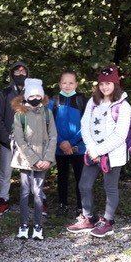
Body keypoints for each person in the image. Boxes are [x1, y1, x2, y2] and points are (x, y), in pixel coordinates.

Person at [67, 65, 131, 238]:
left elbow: (120, 135)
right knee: (84, 185)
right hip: (92, 152)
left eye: (108, 83)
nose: (104, 87)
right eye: (102, 84)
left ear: (115, 84)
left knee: (110, 187)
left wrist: (99, 151)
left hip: (112, 155)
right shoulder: (93, 102)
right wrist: (91, 148)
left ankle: (108, 221)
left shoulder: (123, 106)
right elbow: (84, 125)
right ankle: (89, 217)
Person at [11, 79, 57, 240]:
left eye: (38, 95)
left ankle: (38, 225)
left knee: (38, 192)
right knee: (24, 192)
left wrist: (47, 159)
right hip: (25, 160)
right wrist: (34, 160)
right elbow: (20, 140)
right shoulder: (20, 114)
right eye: (32, 95)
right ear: (26, 96)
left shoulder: (47, 113)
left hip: (43, 159)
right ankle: (23, 224)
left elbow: (53, 136)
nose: (35, 98)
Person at [48, 70, 87, 216]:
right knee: (62, 177)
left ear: (76, 84)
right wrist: (60, 142)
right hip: (59, 148)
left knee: (80, 178)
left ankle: (81, 206)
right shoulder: (53, 101)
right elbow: (49, 124)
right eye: (64, 82)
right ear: (59, 84)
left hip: (78, 147)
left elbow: (87, 124)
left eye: (71, 83)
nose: (67, 85)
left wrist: (71, 142)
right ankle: (62, 204)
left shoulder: (82, 100)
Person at [0, 61, 29, 216]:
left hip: (28, 141)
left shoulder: (33, 92)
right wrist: (6, 138)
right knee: (5, 172)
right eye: (17, 71)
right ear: (12, 74)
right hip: (8, 140)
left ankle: (35, 198)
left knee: (29, 172)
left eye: (23, 71)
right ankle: (3, 199)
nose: (20, 74)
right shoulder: (5, 93)